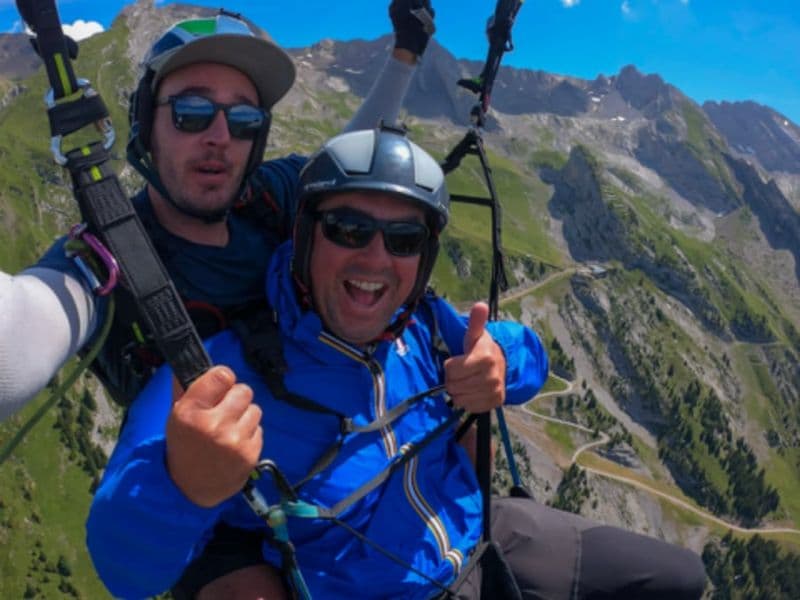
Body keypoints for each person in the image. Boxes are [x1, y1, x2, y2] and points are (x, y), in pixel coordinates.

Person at [86, 125, 707, 599]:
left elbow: (529, 356)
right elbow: (121, 566)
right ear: (305, 235)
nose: (376, 259)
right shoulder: (219, 377)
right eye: (349, 229)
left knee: (680, 578)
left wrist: (499, 363)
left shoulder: (424, 326)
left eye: (404, 240)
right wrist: (179, 483)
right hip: (375, 586)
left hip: (484, 537)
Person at [0, 0, 436, 418]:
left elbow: (347, 161)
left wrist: (404, 55)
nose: (221, 137)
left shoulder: (270, 197)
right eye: (192, 112)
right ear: (147, 123)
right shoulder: (104, 261)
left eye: (245, 120)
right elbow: (22, 328)